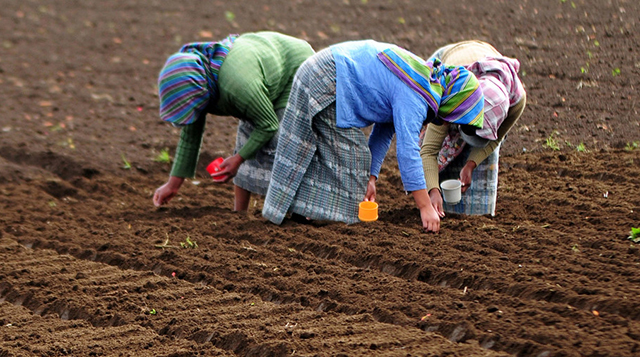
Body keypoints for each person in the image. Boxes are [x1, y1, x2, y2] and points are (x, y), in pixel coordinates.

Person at [262, 40, 485, 233]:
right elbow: (408, 152)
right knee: (354, 156)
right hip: (327, 75)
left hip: (324, 70)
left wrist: (372, 177)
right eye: (455, 116)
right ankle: (336, 220)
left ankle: (301, 210)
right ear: (453, 103)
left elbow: (383, 130)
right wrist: (425, 207)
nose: (449, 123)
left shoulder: (422, 80)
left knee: (344, 154)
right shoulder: (416, 94)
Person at [152, 32, 315, 211]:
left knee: (282, 143)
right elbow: (190, 137)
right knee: (245, 138)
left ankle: (301, 209)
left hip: (294, 67)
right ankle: (239, 213)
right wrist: (172, 185)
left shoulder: (237, 87)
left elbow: (268, 124)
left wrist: (238, 159)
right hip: (258, 71)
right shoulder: (201, 85)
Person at [420, 40, 527, 217]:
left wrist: (470, 164)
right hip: (450, 60)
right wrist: (433, 190)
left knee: (483, 166)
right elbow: (429, 150)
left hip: (485, 56)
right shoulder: (449, 90)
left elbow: (496, 138)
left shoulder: (516, 100)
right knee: (432, 140)